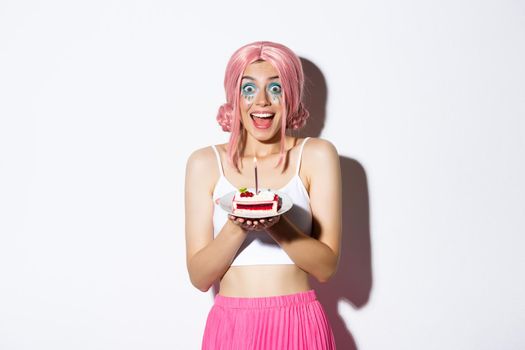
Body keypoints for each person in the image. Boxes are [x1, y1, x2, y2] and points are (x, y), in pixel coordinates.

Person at [185, 41, 342, 349]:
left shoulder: (316, 156)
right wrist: (238, 224)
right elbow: (200, 277)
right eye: (248, 89)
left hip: (298, 324)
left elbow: (326, 268)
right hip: (231, 329)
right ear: (234, 97)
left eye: (275, 89)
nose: (261, 102)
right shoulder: (204, 163)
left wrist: (276, 221)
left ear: (291, 96)